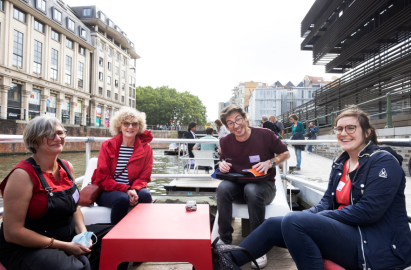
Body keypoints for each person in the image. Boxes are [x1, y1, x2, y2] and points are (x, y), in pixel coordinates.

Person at [229, 107, 411, 269]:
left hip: (374, 244)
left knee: (294, 221)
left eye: (351, 128)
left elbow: (368, 211)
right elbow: (325, 203)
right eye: (339, 129)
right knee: (274, 224)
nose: (343, 133)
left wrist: (310, 218)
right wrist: (309, 216)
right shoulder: (341, 163)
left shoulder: (383, 161)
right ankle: (226, 261)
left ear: (367, 132)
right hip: (345, 231)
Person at [0, 115, 128, 270]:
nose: (57, 138)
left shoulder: (67, 167)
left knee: (119, 237)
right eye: (48, 134)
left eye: (60, 133)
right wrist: (65, 246)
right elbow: (13, 232)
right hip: (27, 246)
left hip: (65, 235)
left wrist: (84, 234)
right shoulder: (22, 175)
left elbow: (74, 208)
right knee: (73, 267)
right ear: (34, 141)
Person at [217, 105, 290, 268]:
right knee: (222, 188)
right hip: (238, 186)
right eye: (230, 123)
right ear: (226, 127)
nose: (235, 125)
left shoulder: (265, 134)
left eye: (238, 119)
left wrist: (270, 162)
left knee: (252, 189)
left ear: (245, 118)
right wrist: (222, 165)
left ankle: (258, 247)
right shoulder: (225, 141)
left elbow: (285, 153)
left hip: (264, 187)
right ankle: (224, 242)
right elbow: (224, 162)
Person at [92, 106, 153, 225]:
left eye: (134, 124)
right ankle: (116, 236)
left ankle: (142, 230)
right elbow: (103, 177)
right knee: (121, 199)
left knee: (145, 195)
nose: (130, 127)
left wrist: (134, 190)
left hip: (133, 188)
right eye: (126, 123)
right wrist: (126, 190)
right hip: (108, 190)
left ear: (139, 127)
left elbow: (144, 177)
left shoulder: (146, 149)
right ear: (119, 126)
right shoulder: (107, 145)